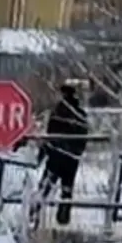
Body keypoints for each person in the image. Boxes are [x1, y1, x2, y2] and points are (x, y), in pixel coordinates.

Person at [32, 83, 89, 226]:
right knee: (67, 188)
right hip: (72, 158)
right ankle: (63, 216)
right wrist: (77, 152)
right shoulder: (80, 114)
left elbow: (51, 134)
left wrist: (45, 152)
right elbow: (84, 137)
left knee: (46, 185)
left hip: (57, 155)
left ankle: (35, 212)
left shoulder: (58, 112)